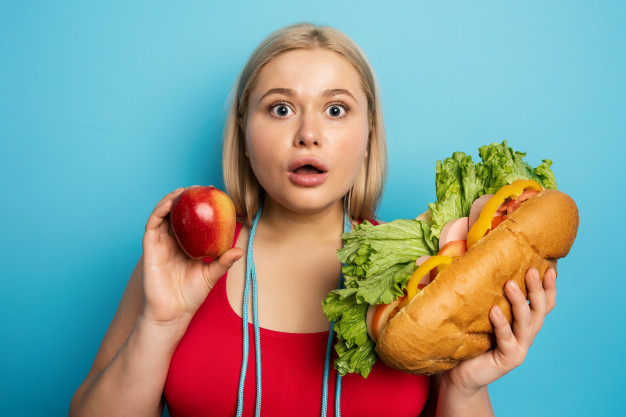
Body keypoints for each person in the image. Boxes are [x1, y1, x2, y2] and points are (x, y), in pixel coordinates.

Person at [69, 23, 558, 417]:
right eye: (281, 109)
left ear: (368, 134)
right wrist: (161, 322)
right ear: (243, 133)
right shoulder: (182, 262)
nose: (308, 134)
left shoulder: (426, 273)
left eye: (336, 109)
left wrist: (465, 388)